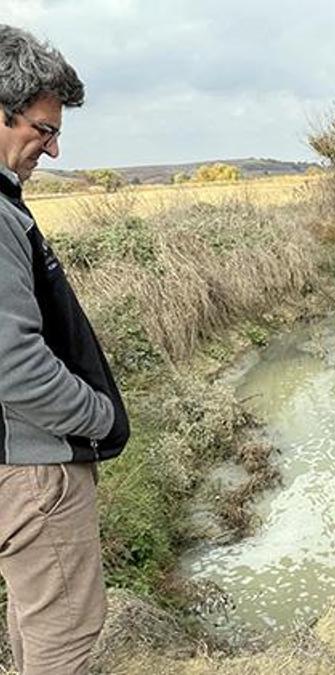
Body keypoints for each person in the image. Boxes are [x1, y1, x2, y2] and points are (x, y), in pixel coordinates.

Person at [0, 25, 130, 675]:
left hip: (18, 464)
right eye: (42, 129)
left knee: (36, 613)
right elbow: (13, 364)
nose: (51, 149)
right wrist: (101, 416)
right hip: (35, 468)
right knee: (65, 635)